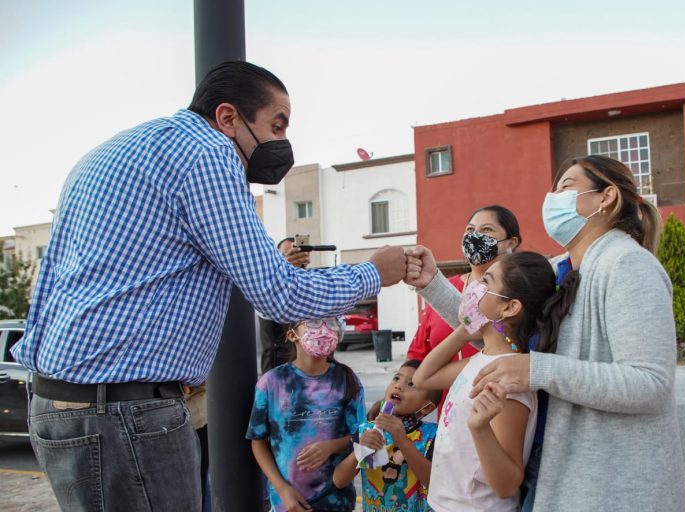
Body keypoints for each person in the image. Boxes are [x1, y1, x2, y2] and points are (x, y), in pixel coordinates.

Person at [12, 61, 406, 511]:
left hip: (63, 403)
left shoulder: (116, 151)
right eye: (276, 126)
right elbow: (280, 295)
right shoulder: (207, 153)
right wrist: (374, 272)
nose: (281, 143)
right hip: (123, 410)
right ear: (227, 117)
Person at [406, 155, 685, 511]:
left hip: (612, 488)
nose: (553, 197)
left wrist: (535, 369)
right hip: (556, 476)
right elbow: (490, 323)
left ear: (607, 197)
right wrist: (433, 283)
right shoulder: (559, 269)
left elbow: (651, 384)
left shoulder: (628, 265)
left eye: (567, 186)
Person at [412, 251, 555, 511]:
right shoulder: (482, 360)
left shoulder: (507, 379)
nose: (475, 286)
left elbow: (507, 485)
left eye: (487, 282)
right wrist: (465, 330)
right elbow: (423, 378)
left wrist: (480, 429)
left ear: (509, 307)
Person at [407, 205, 521, 415]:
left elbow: (500, 343)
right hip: (450, 417)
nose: (475, 236)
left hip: (498, 411)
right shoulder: (441, 289)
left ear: (511, 242)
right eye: (470, 230)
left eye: (486, 230)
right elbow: (417, 361)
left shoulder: (519, 297)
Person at [248, 317, 364, 512]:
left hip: (337, 502)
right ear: (292, 334)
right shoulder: (271, 382)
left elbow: (362, 437)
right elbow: (258, 441)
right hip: (287, 504)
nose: (324, 329)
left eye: (331, 322)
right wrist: (282, 489)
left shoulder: (347, 379)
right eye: (314, 322)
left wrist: (331, 447)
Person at [333, 360, 442, 512]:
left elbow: (435, 484)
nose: (398, 386)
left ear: (427, 408)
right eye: (396, 378)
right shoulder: (366, 431)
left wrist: (403, 442)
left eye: (411, 384)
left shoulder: (433, 435)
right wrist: (360, 451)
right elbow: (339, 480)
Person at [259, 236, 310, 374]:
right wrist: (283, 273)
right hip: (277, 374)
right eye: (286, 254)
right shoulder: (269, 287)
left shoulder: (311, 287)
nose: (293, 257)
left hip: (310, 375)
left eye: (297, 252)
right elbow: (264, 308)